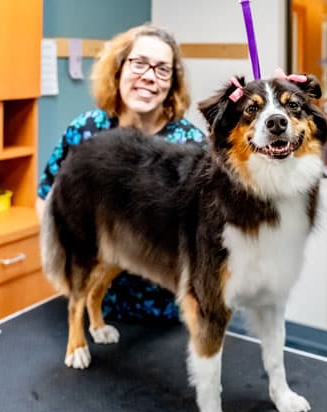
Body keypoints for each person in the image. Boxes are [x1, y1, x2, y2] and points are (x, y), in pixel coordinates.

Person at [37, 24, 207, 323]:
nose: (149, 76)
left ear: (172, 83)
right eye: (139, 63)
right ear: (119, 69)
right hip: (96, 304)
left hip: (165, 310)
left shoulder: (190, 144)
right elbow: (47, 196)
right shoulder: (85, 131)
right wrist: (72, 254)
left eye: (162, 69)